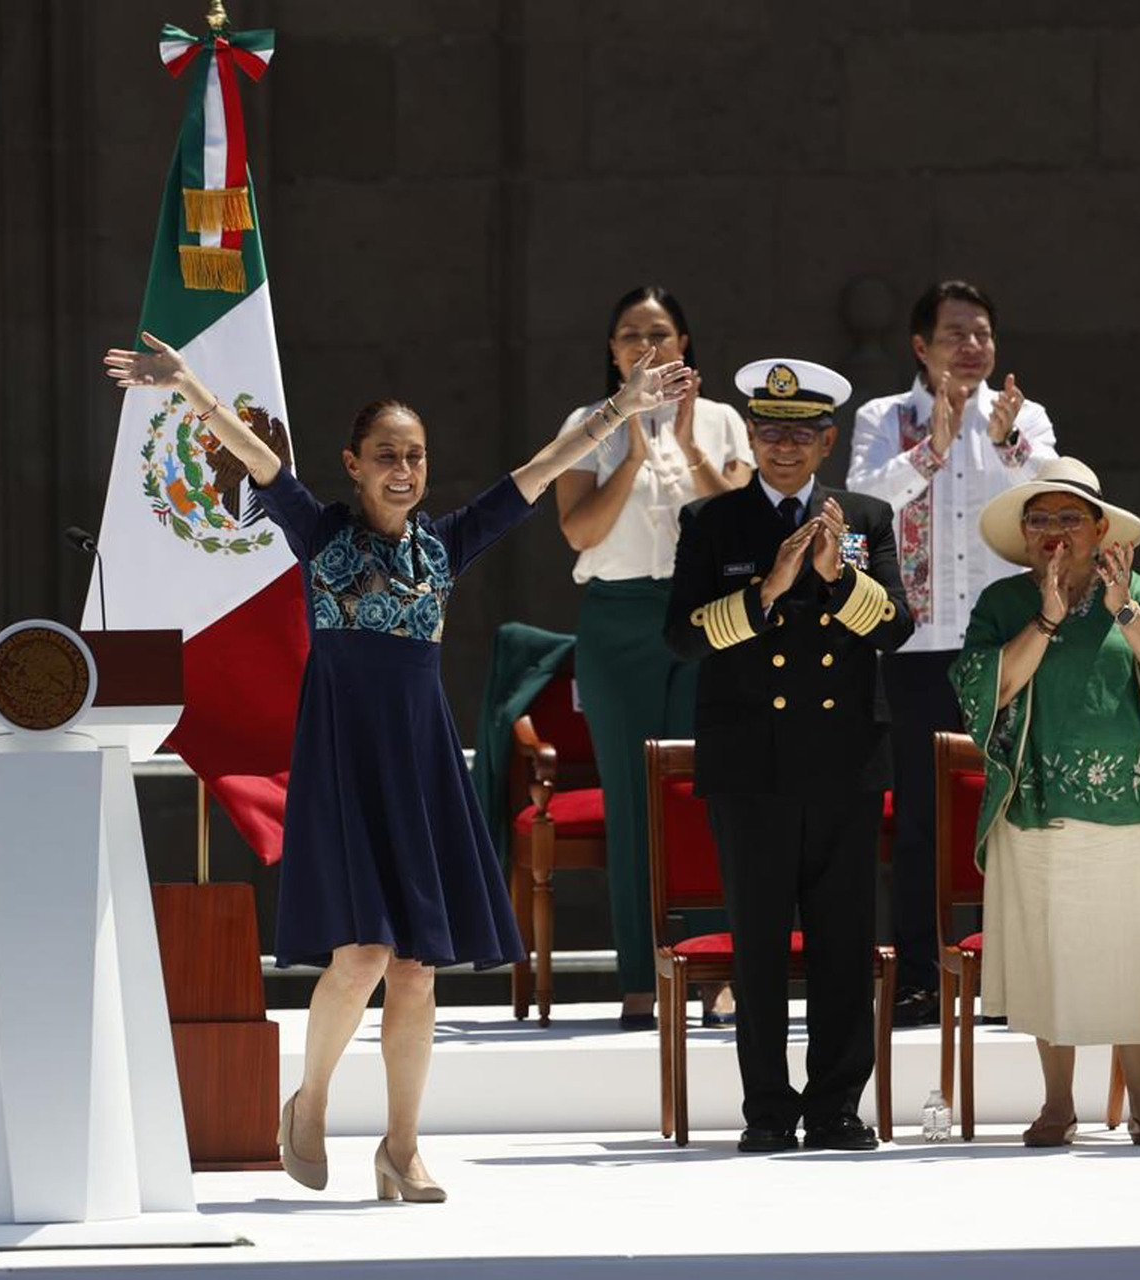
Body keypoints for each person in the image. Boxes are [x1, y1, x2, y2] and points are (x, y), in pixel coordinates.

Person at [104, 331, 694, 1197]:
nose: (404, 469)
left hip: (418, 766)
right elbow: (259, 456)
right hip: (347, 761)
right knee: (363, 957)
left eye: (415, 456)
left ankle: (401, 1148)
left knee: (418, 964)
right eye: (386, 455)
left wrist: (622, 410)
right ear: (353, 463)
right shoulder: (321, 533)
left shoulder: (444, 545)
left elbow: (538, 471)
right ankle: (308, 1105)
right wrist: (187, 383)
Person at [666, 358, 912, 1152]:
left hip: (842, 758)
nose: (783, 446)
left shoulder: (867, 518)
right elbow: (681, 636)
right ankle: (767, 1110)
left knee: (843, 944)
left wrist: (839, 584)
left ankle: (838, 1105)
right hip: (751, 762)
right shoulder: (713, 522)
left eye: (800, 433)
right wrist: (764, 594)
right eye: (768, 431)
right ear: (751, 435)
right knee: (762, 945)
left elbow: (896, 630)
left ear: (827, 440)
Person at [951, 458, 1140, 1147]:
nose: (1054, 532)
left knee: (1135, 954)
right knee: (1049, 954)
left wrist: (1124, 609)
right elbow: (985, 691)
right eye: (1040, 519)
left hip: (1134, 803)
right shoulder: (1005, 603)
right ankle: (1057, 1105)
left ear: (1099, 529)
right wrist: (1048, 618)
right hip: (1038, 800)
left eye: (1069, 518)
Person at [847, 281, 1059, 1026]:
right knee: (918, 816)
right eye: (956, 334)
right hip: (913, 646)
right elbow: (859, 506)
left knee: (1011, 803)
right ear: (920, 347)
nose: (972, 347)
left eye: (982, 334)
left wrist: (1005, 444)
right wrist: (931, 451)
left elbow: (1058, 499)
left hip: (1006, 642)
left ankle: (1013, 971)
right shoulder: (885, 418)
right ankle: (915, 973)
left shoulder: (1023, 417)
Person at [553, 285, 753, 1030]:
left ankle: (715, 973)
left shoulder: (726, 420)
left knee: (711, 791)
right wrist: (632, 451)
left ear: (685, 345)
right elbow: (578, 532)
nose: (646, 346)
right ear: (611, 352)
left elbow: (737, 527)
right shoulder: (587, 424)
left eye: (660, 333)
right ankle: (641, 973)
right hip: (619, 618)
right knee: (635, 800)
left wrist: (691, 444)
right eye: (630, 334)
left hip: (705, 614)